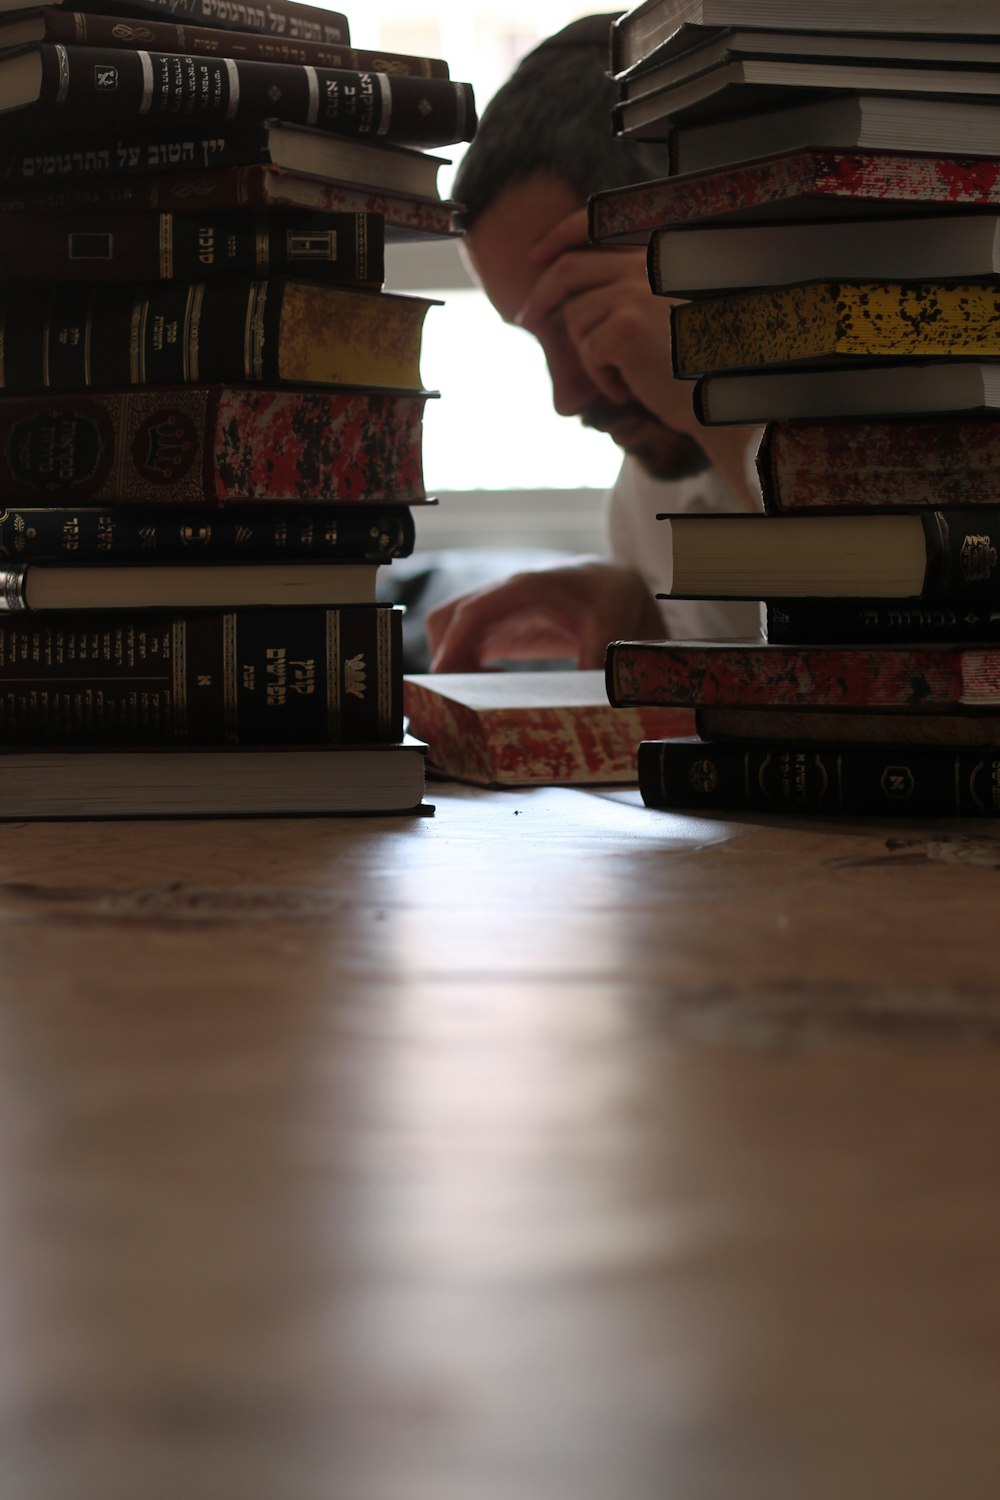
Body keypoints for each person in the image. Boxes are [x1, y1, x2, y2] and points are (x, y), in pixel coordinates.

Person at [425, 13, 764, 674]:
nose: (567, 395)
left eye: (581, 310)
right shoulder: (651, 492)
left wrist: (718, 408)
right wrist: (651, 630)